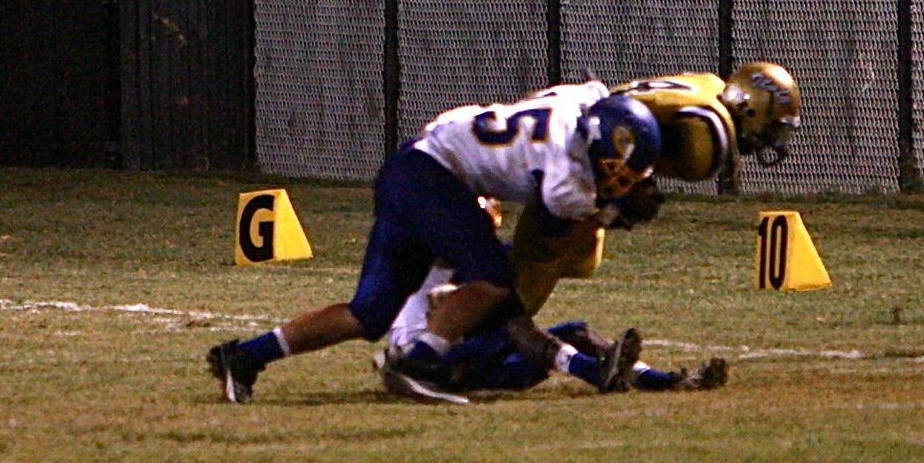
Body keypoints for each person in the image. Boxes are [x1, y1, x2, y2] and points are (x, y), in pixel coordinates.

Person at [207, 80, 662, 402]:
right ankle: (421, 363)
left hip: (411, 166)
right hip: (434, 177)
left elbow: (608, 96)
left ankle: (245, 356)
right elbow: (550, 243)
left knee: (368, 313)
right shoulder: (567, 181)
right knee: (497, 280)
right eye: (612, 173)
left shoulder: (581, 101)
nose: (616, 182)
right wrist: (608, 212)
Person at [510, 62, 803, 316]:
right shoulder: (709, 134)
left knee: (583, 258)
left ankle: (490, 269)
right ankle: (492, 329)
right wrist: (621, 201)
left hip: (573, 119)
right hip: (569, 143)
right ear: (749, 104)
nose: (772, 139)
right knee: (549, 253)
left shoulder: (711, 86)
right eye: (773, 127)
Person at [374, 198, 727, 404]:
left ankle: (665, 381)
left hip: (482, 364)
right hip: (439, 371)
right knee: (510, 327)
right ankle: (596, 372)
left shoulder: (482, 259)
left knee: (576, 331)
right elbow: (417, 325)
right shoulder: (423, 268)